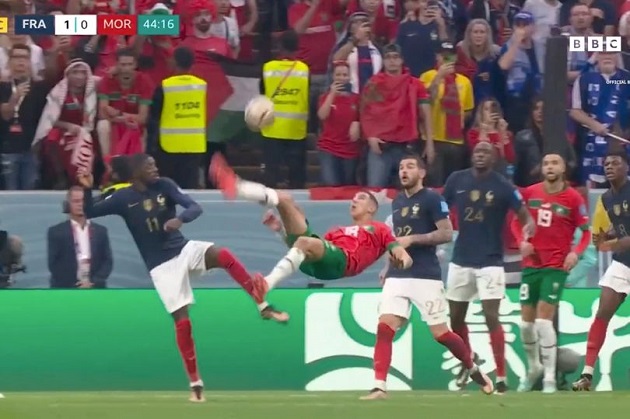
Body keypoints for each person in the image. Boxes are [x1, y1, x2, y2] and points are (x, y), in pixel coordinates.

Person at [76, 153, 286, 402]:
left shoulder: (165, 185)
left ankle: (262, 305)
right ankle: (195, 383)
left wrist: (180, 219)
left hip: (183, 249)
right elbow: (89, 211)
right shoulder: (123, 197)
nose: (155, 169)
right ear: (136, 172)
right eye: (149, 166)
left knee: (223, 255)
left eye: (155, 165)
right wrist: (86, 189)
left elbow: (195, 207)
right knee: (183, 322)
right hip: (162, 267)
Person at [361, 153, 494, 400]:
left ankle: (472, 367)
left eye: (410, 167)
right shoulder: (398, 202)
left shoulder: (433, 198)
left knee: (440, 334)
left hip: (425, 275)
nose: (404, 171)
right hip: (398, 275)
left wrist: (413, 239)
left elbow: (446, 233)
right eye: (401, 167)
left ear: (421, 173)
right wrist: (387, 267)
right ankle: (379, 386)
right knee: (385, 327)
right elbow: (396, 239)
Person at [209, 153, 413, 296]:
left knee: (306, 240)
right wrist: (280, 230)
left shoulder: (379, 228)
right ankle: (237, 186)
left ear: (372, 208)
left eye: (361, 198)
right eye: (353, 198)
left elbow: (400, 252)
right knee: (285, 200)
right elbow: (306, 251)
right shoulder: (337, 231)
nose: (354, 200)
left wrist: (402, 262)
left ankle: (266, 285)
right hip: (317, 264)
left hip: (342, 263)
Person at [442, 141, 535, 394]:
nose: (480, 155)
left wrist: (527, 228)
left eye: (485, 152)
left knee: (491, 316)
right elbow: (440, 206)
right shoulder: (457, 180)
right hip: (461, 258)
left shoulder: (503, 185)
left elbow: (523, 212)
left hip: (491, 261)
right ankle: (469, 362)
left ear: (493, 158)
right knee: (455, 319)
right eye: (477, 151)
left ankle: (502, 376)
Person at [510, 153, 590, 393]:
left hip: (555, 266)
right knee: (525, 325)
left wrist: (575, 253)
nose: (550, 167)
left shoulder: (573, 198)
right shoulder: (531, 193)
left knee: (543, 322)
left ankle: (549, 379)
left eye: (555, 163)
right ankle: (534, 367)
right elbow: (515, 221)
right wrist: (521, 241)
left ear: (563, 168)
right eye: (546, 163)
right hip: (531, 265)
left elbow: (586, 232)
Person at [573, 151, 630, 391]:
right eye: (606, 163)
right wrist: (604, 236)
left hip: (623, 252)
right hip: (623, 263)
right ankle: (586, 374)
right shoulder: (606, 199)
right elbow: (611, 230)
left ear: (626, 167)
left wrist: (611, 243)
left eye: (615, 163)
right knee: (602, 313)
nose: (609, 166)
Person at [148, 46, 207, 189]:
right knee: (189, 189)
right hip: (195, 144)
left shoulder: (165, 85)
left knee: (169, 188)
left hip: (170, 145)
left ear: (174, 62)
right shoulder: (202, 85)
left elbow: (154, 115)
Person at [47, 186, 113, 289]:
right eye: (76, 201)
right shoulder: (56, 232)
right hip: (66, 289)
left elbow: (107, 261)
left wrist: (92, 282)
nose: (80, 204)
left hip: (95, 288)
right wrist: (76, 285)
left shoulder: (101, 231)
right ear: (68, 204)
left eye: (83, 201)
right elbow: (54, 265)